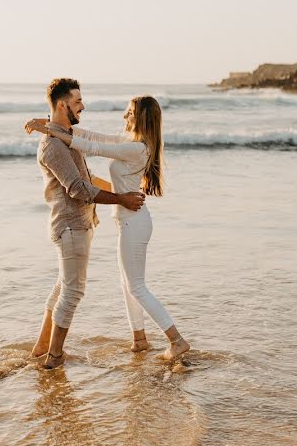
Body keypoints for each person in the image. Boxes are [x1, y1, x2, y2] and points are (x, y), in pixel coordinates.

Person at [25, 96, 190, 361]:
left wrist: (49, 130)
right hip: (129, 222)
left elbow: (89, 145)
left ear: (141, 117)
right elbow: (90, 134)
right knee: (128, 285)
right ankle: (139, 340)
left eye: (129, 113)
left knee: (136, 286)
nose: (125, 117)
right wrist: (48, 123)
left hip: (134, 223)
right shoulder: (130, 141)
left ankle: (177, 340)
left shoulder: (137, 148)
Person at [29, 78, 146, 369]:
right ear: (62, 104)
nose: (83, 105)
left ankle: (42, 347)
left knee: (62, 287)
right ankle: (54, 356)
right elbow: (78, 188)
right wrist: (121, 199)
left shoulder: (67, 135)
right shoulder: (54, 145)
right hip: (70, 226)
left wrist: (128, 191)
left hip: (78, 223)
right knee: (73, 291)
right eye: (78, 101)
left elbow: (91, 173)